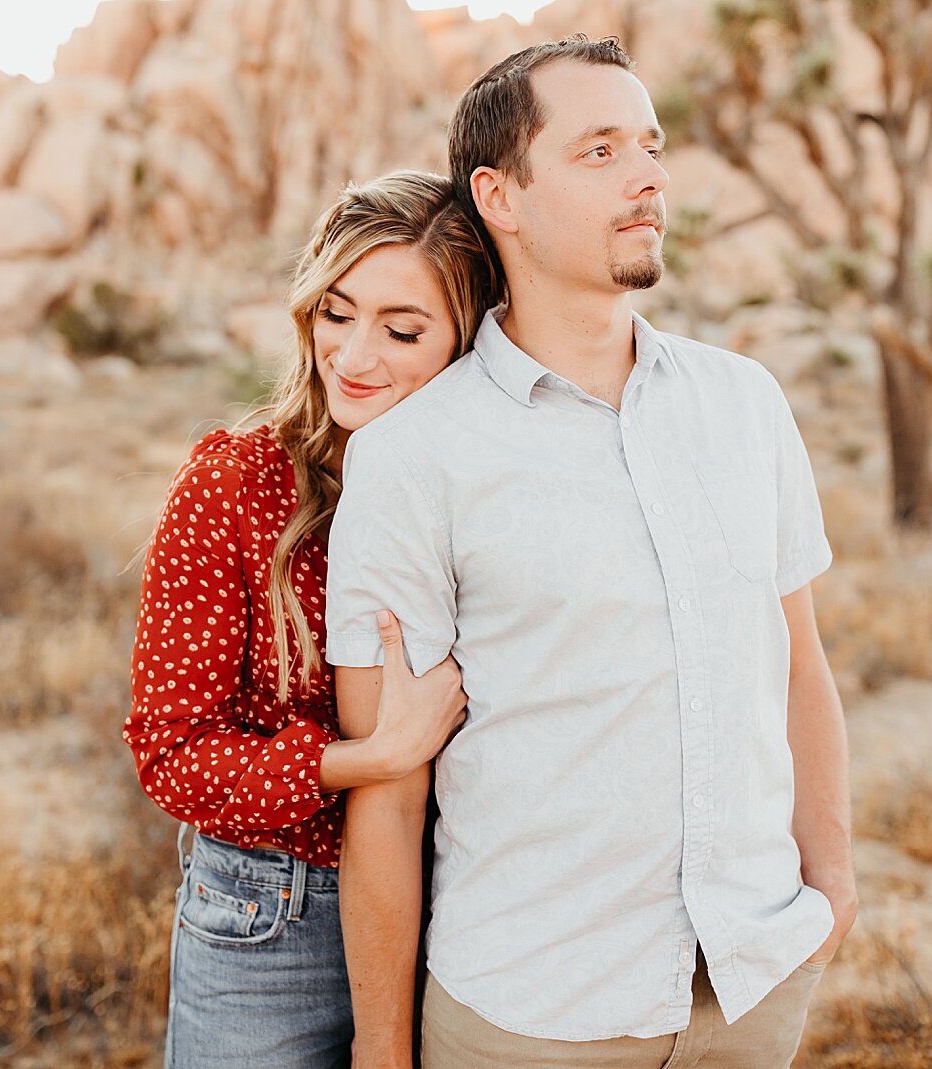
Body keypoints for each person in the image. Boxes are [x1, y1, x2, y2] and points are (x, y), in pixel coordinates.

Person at [326, 36, 859, 1069]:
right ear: (501, 195)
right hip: (529, 1013)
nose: (649, 177)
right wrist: (383, 1054)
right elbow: (385, 798)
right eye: (600, 150)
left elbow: (798, 664)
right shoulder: (412, 458)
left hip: (752, 987)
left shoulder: (742, 402)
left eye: (650, 146)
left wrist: (829, 884)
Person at [122, 169, 498, 1069]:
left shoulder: (492, 503)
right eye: (336, 313)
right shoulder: (233, 486)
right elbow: (171, 752)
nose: (354, 355)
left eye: (401, 330)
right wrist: (365, 759)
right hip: (273, 914)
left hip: (467, 905)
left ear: (470, 340)